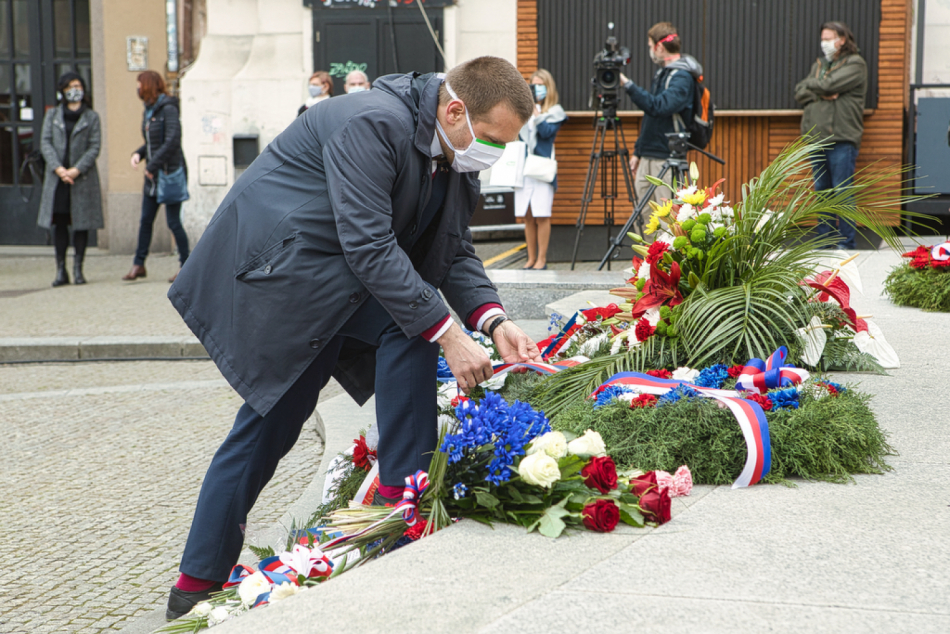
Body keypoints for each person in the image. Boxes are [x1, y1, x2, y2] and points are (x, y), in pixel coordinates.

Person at [163, 57, 540, 620]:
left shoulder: (455, 149)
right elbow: (368, 244)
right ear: (455, 110)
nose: (495, 155)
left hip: (346, 287)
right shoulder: (372, 122)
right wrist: (448, 332)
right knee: (271, 425)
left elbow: (454, 249)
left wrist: (493, 321)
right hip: (286, 281)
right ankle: (196, 586)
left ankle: (399, 502)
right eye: (492, 140)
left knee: (406, 327)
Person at [619, 22, 701, 233]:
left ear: (659, 47)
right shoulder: (663, 74)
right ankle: (648, 265)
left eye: (649, 46)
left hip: (666, 159)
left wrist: (628, 85)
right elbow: (651, 118)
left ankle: (667, 266)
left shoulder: (682, 77)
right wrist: (639, 151)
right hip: (648, 156)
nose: (649, 51)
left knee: (667, 223)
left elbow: (659, 107)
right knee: (645, 221)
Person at [794, 21, 867, 250]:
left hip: (841, 138)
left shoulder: (856, 64)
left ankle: (846, 242)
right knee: (821, 191)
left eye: (829, 38)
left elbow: (829, 84)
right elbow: (800, 90)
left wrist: (820, 88)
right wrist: (822, 91)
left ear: (842, 39)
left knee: (842, 191)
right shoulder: (819, 65)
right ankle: (824, 241)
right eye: (823, 38)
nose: (824, 43)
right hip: (816, 137)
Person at [37, 71, 103, 286]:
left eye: (78, 85)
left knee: (81, 225)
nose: (76, 90)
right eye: (71, 86)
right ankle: (60, 270)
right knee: (60, 224)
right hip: (58, 179)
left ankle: (78, 270)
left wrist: (76, 170)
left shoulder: (91, 117)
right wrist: (58, 169)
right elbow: (45, 143)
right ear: (63, 91)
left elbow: (94, 147)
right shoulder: (53, 115)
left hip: (80, 179)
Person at [124, 70, 190, 283]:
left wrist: (152, 164)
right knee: (145, 220)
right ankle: (138, 264)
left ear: (148, 86)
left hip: (169, 173)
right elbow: (152, 142)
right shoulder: (149, 110)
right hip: (153, 176)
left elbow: (172, 140)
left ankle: (186, 266)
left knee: (173, 222)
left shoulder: (168, 108)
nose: (137, 89)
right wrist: (139, 153)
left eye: (138, 84)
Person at [516, 69, 566, 270]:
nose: (537, 90)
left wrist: (537, 115)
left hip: (542, 169)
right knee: (527, 215)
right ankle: (530, 258)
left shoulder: (555, 111)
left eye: (540, 86)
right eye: (533, 85)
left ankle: (542, 259)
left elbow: (546, 133)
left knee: (542, 214)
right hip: (524, 168)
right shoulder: (524, 111)